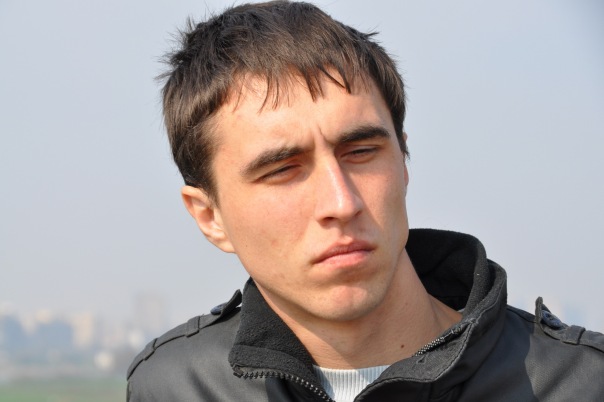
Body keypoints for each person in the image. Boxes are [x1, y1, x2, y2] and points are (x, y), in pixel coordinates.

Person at [127, 1, 604, 400]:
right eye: (282, 170)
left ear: (403, 161)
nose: (342, 202)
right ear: (209, 217)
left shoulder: (579, 384)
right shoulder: (174, 387)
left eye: (360, 152)